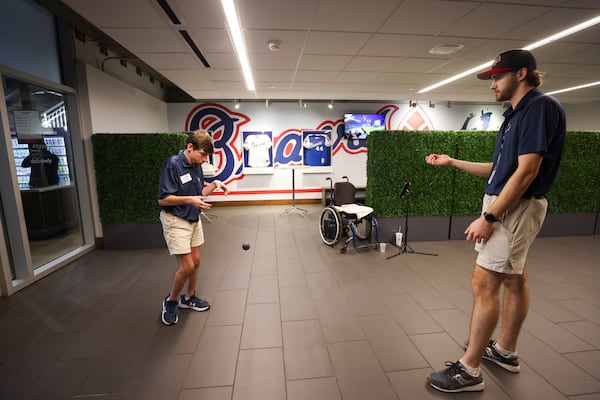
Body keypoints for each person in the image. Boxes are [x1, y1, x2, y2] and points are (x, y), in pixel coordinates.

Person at [425, 49, 566, 392]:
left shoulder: (538, 107)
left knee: (483, 283)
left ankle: (469, 370)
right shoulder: (515, 114)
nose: (492, 84)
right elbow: (501, 170)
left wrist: (490, 215)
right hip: (511, 206)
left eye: (497, 77)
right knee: (515, 280)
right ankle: (505, 351)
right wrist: (452, 161)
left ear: (521, 74)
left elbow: (528, 171)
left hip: (514, 209)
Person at [157, 130, 229, 326]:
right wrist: (190, 199)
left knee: (196, 261)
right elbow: (163, 199)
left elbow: (199, 195)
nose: (205, 160)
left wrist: (214, 184)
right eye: (203, 154)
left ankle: (189, 297)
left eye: (207, 155)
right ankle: (172, 300)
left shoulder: (197, 166)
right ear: (190, 147)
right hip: (176, 219)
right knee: (187, 266)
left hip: (193, 218)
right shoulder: (172, 164)